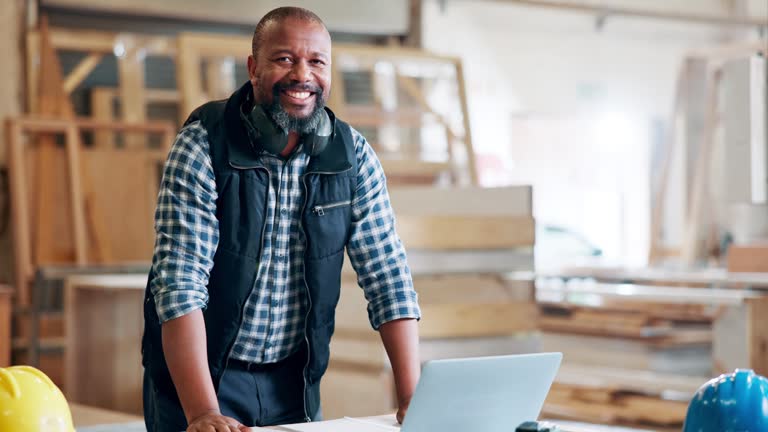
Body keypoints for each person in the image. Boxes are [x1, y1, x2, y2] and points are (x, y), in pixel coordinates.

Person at [141, 6, 421, 432]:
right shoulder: (202, 147)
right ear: (254, 68)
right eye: (285, 59)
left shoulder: (353, 157)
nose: (301, 75)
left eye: (316, 61)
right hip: (202, 379)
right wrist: (202, 412)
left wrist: (413, 397)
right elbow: (180, 286)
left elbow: (388, 276)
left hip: (294, 383)